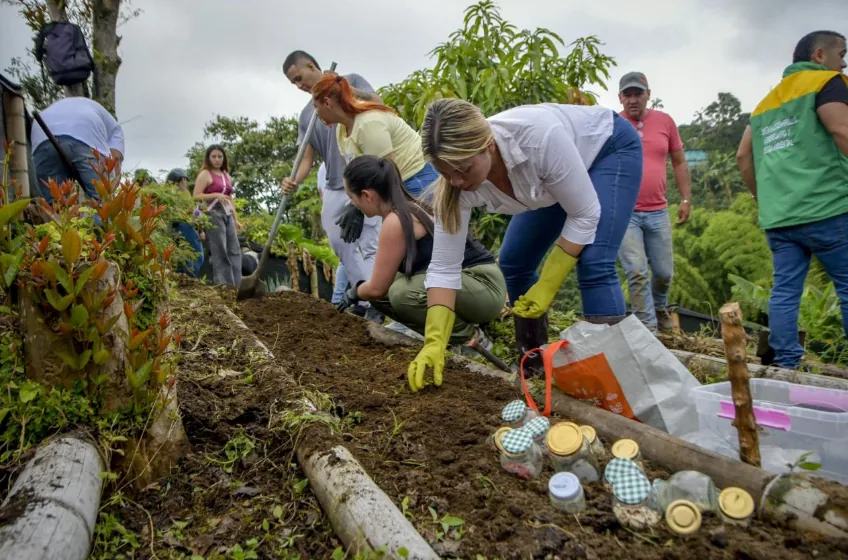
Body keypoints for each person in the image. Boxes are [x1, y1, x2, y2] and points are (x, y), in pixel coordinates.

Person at [407, 98, 642, 392]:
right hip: (548, 182)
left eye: (463, 169)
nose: (455, 181)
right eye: (444, 172)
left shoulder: (539, 140)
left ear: (488, 145)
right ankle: (535, 365)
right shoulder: (455, 188)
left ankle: (613, 380)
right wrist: (434, 341)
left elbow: (585, 214)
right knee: (514, 264)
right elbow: (444, 267)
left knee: (595, 261)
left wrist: (547, 284)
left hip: (606, 150)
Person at [736, 30, 848, 370]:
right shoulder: (829, 82)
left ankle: (786, 362)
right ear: (819, 56)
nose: (843, 61)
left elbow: (743, 156)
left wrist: (762, 198)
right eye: (841, 53)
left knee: (785, 290)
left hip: (781, 217)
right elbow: (842, 130)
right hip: (829, 208)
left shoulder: (767, 102)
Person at [338, 155, 505, 347]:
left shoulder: (396, 220)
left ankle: (467, 339)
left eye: (351, 198)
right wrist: (363, 289)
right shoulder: (409, 204)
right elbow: (380, 284)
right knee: (386, 288)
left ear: (367, 195)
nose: (353, 205)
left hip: (484, 286)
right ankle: (443, 331)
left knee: (401, 294)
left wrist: (353, 292)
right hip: (471, 284)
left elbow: (376, 288)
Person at [280, 51, 382, 313]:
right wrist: (293, 181)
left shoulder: (350, 80)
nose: (299, 85)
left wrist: (343, 89)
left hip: (364, 177)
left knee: (370, 241)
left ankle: (377, 305)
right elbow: (307, 158)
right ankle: (364, 293)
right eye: (293, 83)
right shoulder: (307, 115)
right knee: (338, 240)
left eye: (299, 77)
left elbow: (378, 104)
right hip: (337, 184)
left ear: (312, 66)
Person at [617, 72, 692, 333]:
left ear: (648, 94)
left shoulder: (665, 122)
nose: (633, 99)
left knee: (664, 273)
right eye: (628, 95)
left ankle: (659, 310)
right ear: (620, 98)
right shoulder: (613, 124)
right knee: (637, 272)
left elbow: (680, 161)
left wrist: (685, 199)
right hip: (624, 213)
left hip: (658, 211)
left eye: (638, 93)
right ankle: (647, 330)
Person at [310, 72, 440, 199]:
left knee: (417, 220)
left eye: (316, 107)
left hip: (416, 178)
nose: (316, 114)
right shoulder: (341, 129)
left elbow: (387, 174)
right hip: (393, 186)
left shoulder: (368, 123)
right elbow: (354, 171)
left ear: (327, 103)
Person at [31, 95, 124, 202]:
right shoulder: (116, 130)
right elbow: (115, 160)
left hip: (41, 134)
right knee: (103, 200)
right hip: (83, 130)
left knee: (56, 204)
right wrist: (111, 188)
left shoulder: (92, 108)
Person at [193, 144, 243, 287]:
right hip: (212, 213)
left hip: (227, 212)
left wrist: (236, 219)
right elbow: (195, 196)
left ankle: (238, 285)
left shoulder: (225, 174)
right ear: (208, 158)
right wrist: (215, 194)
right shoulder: (205, 174)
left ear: (224, 158)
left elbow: (229, 198)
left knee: (234, 249)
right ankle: (225, 286)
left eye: (220, 156)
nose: (217, 159)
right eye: (214, 156)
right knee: (220, 250)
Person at [166, 168, 204, 278]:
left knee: (179, 254)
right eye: (185, 179)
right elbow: (193, 214)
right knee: (196, 255)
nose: (186, 182)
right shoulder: (183, 193)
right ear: (182, 179)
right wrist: (200, 229)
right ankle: (188, 277)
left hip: (173, 228)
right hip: (184, 226)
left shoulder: (169, 193)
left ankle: (180, 277)